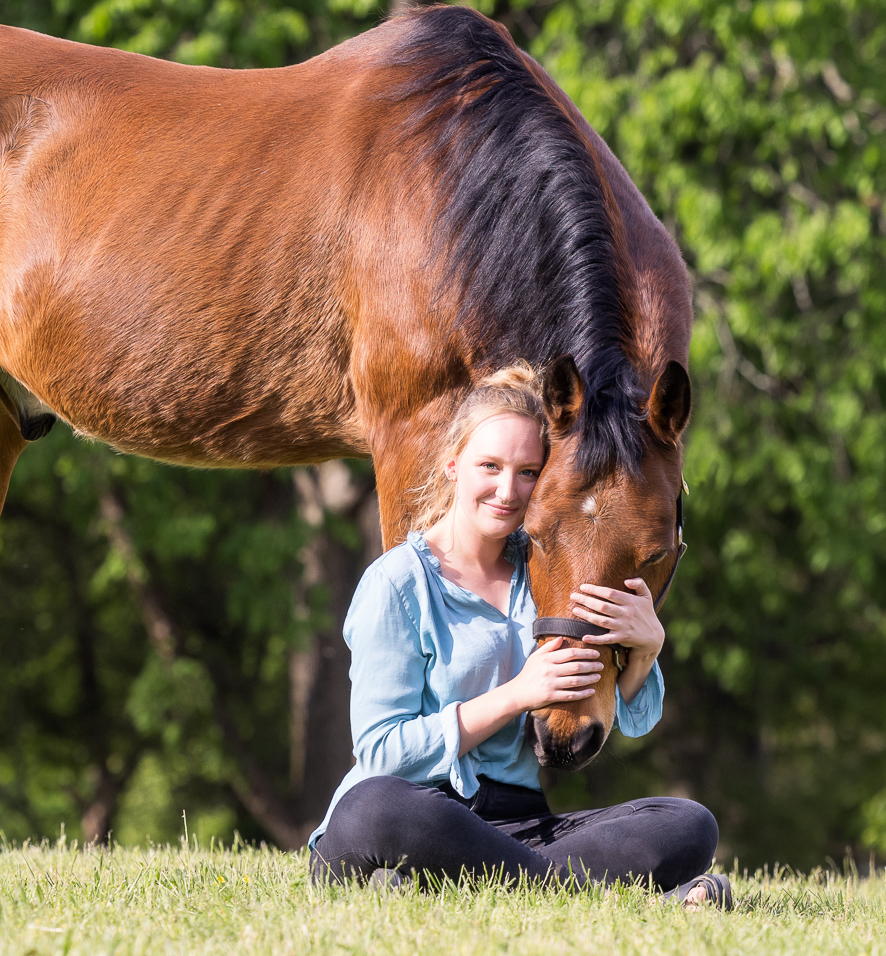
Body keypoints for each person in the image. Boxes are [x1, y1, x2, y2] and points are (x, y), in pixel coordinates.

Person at [309, 366, 731, 908]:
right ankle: (618, 894)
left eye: (529, 471)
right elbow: (380, 753)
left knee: (688, 824)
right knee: (376, 810)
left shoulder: (545, 570)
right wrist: (516, 695)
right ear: (452, 464)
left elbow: (636, 718)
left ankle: (441, 884)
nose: (508, 490)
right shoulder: (398, 583)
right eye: (490, 466)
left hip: (517, 825)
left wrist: (646, 650)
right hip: (411, 808)